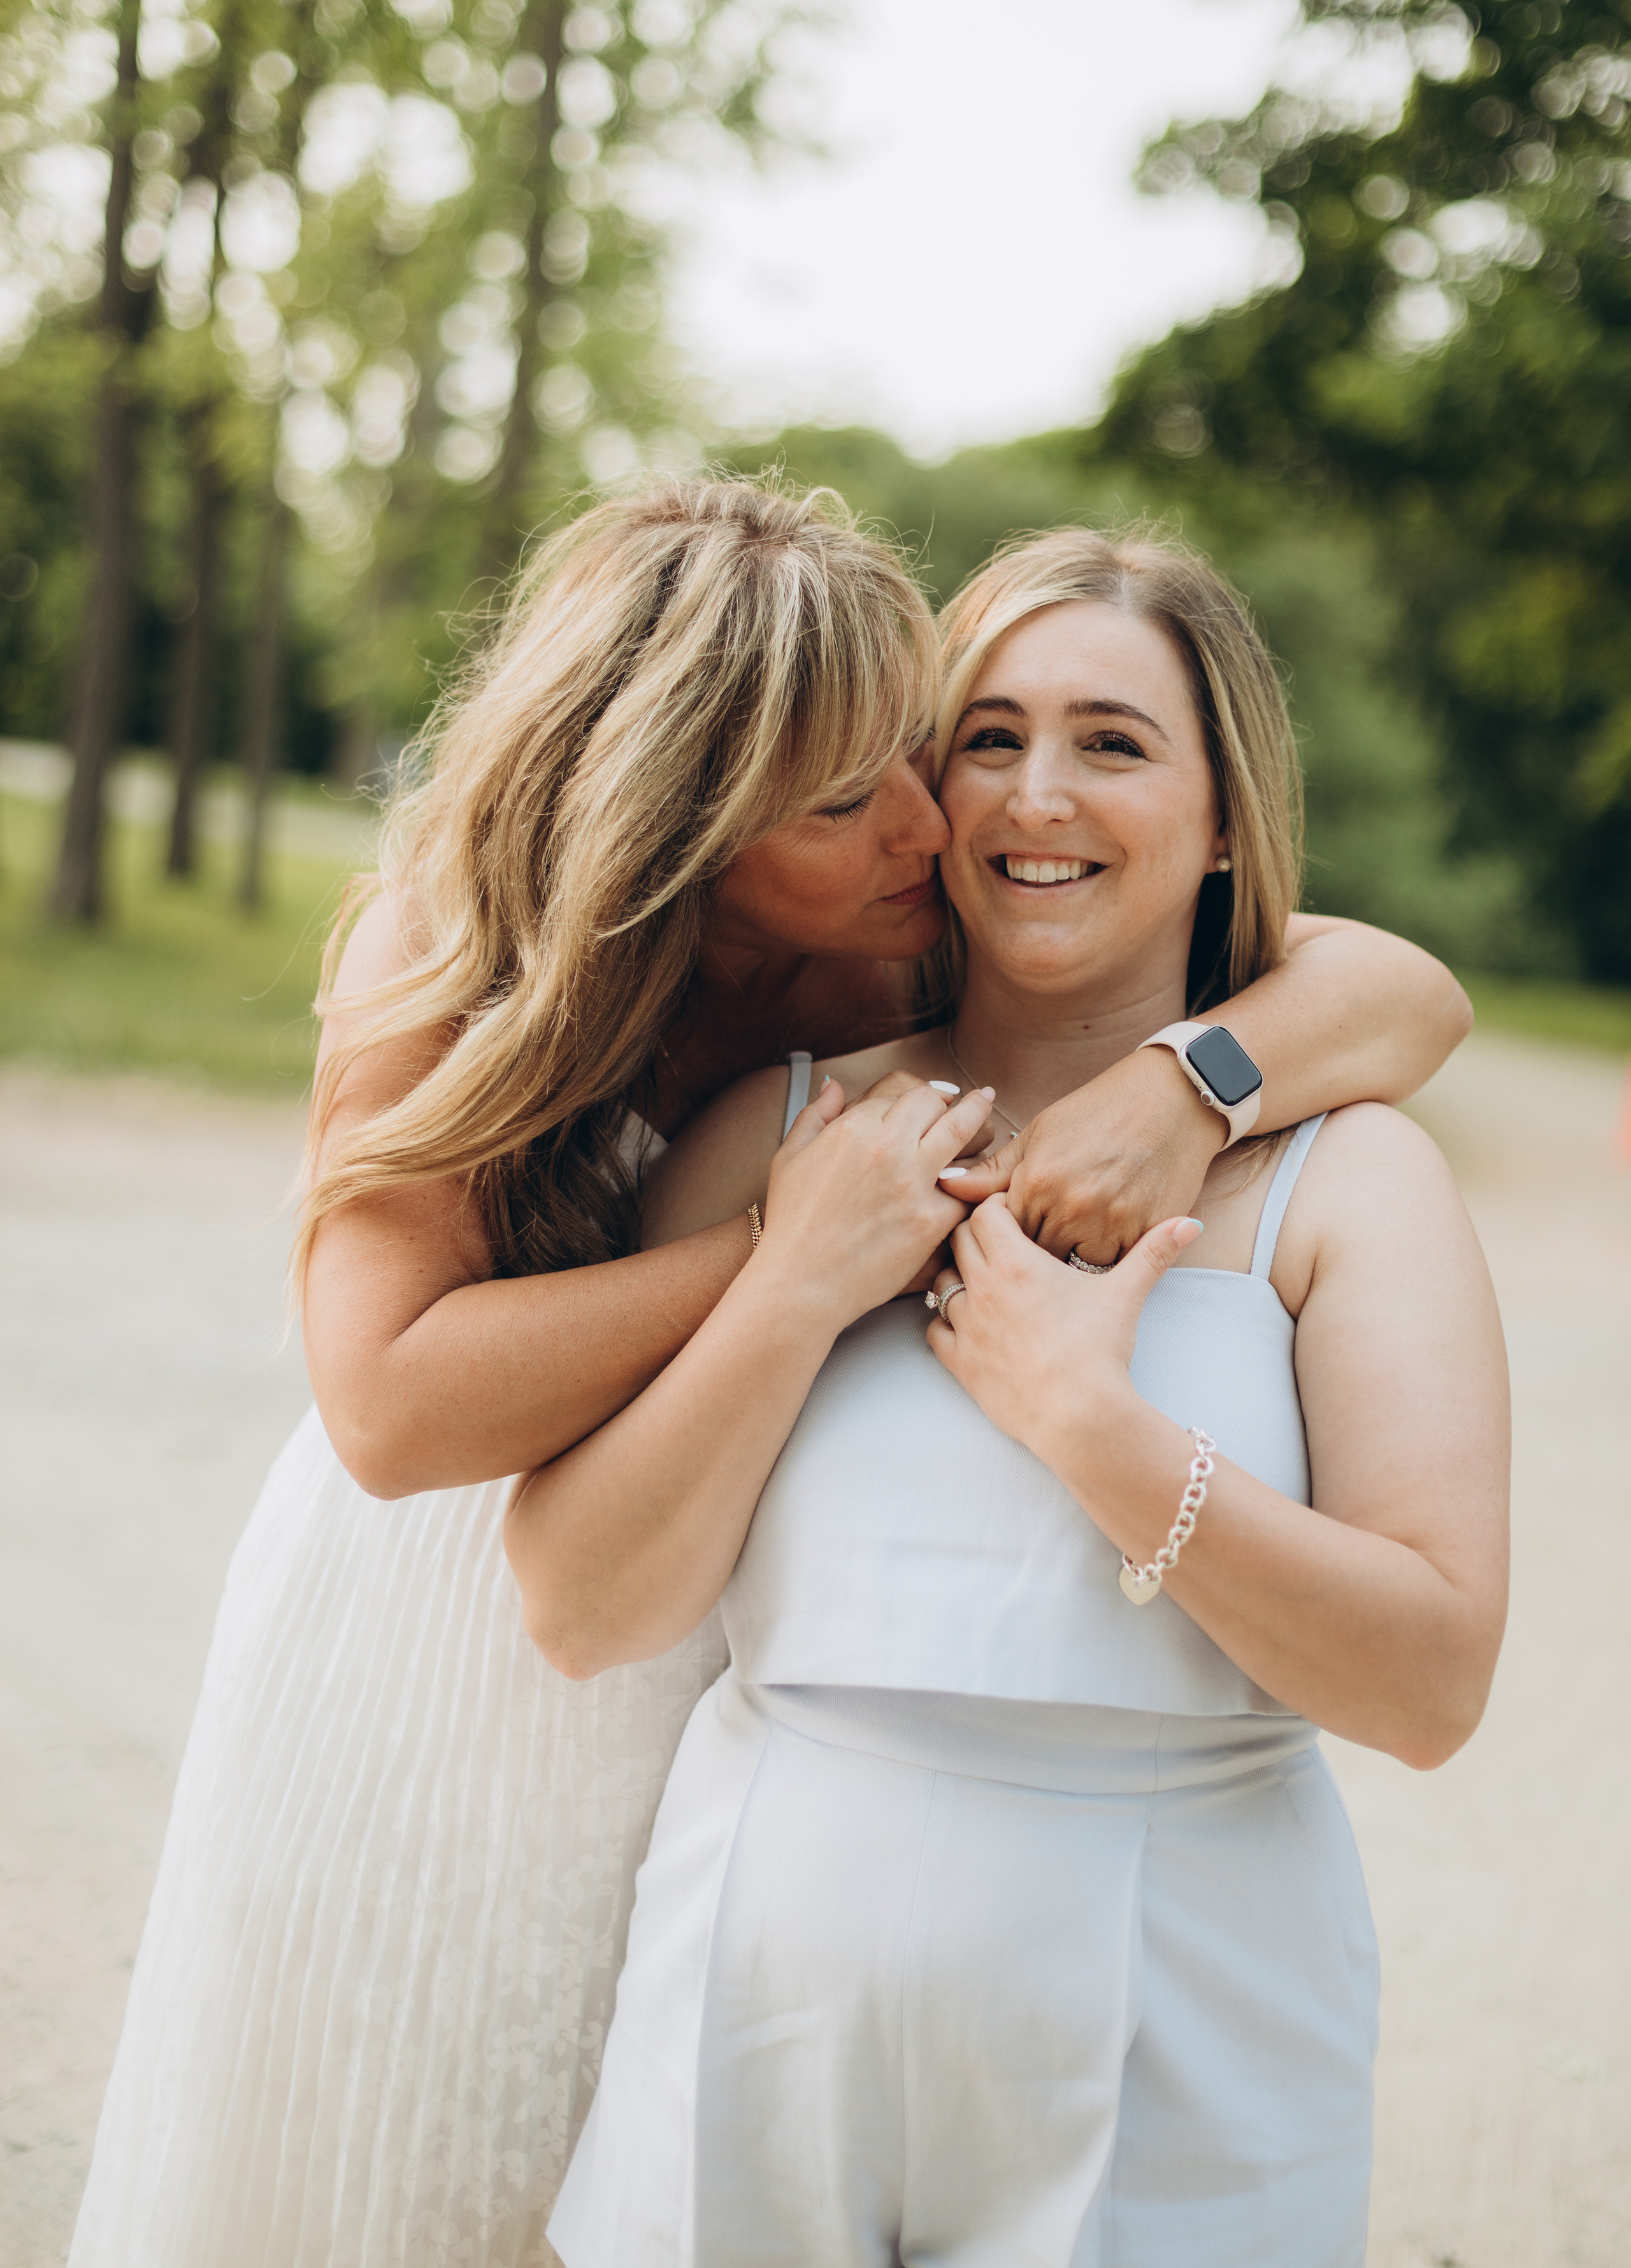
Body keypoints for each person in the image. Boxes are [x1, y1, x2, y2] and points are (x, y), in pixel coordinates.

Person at [71, 480, 1469, 2268]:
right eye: (845, 795)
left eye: (908, 754)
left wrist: (1183, 1086)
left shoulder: (894, 928)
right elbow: (393, 1410)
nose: (925, 822)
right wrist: (782, 1261)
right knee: (384, 2154)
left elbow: (1402, 990)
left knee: (614, 2098)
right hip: (439, 1581)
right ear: (691, 830)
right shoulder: (456, 949)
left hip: (711, 1603)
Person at [521, 524, 1510, 2268]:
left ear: (1222, 823)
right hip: (761, 1989)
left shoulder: (1347, 1182)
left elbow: (1429, 1683)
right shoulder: (778, 1126)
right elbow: (588, 1607)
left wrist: (1095, 1433)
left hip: (1185, 2011)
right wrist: (799, 1283)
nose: (1037, 797)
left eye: (1113, 744)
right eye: (990, 738)